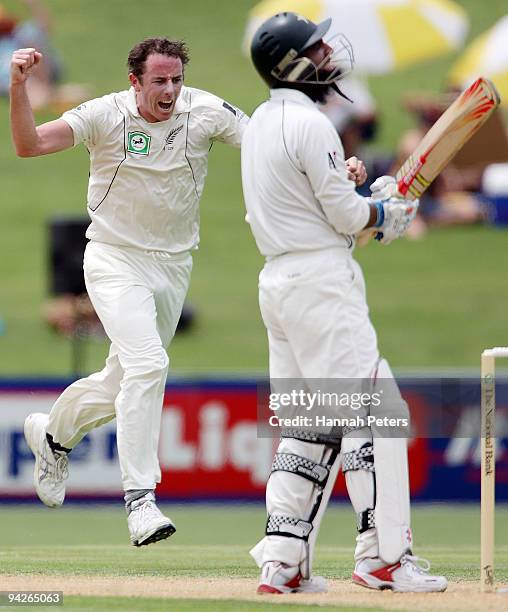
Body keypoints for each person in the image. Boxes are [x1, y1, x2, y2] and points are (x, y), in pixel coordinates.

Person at [10, 37, 247, 546]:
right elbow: (29, 145)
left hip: (174, 265)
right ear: (134, 81)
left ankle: (51, 435)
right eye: (159, 81)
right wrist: (17, 87)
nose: (170, 91)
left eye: (176, 80)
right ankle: (140, 500)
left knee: (122, 382)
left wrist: (338, 171)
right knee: (148, 366)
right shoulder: (103, 115)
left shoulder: (205, 111)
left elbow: (271, 148)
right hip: (115, 259)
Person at [241, 12, 447, 594]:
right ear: (292, 64)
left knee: (308, 424)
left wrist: (358, 193)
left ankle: (283, 565)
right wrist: (386, 211)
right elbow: (349, 218)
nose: (329, 54)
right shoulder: (312, 124)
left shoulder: (262, 122)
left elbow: (309, 201)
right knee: (375, 409)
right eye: (317, 48)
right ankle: (383, 557)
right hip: (321, 283)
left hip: (278, 283)